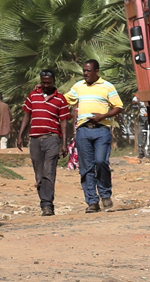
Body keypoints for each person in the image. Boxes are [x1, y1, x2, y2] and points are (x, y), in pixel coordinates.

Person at [67, 58, 123, 211]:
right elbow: (63, 100)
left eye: (88, 71)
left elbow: (118, 106)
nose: (85, 73)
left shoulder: (107, 87)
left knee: (100, 162)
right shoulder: (78, 86)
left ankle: (105, 195)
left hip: (101, 130)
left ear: (96, 72)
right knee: (86, 167)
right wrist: (44, 90)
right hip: (83, 131)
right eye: (84, 71)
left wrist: (102, 116)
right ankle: (92, 201)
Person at [23, 68, 72, 217]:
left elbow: (64, 122)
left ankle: (47, 205)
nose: (45, 85)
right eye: (43, 82)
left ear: (53, 82)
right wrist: (20, 135)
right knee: (39, 175)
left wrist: (64, 144)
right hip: (35, 139)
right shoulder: (32, 96)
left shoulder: (60, 99)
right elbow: (26, 116)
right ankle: (44, 201)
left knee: (49, 172)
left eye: (48, 83)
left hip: (52, 138)